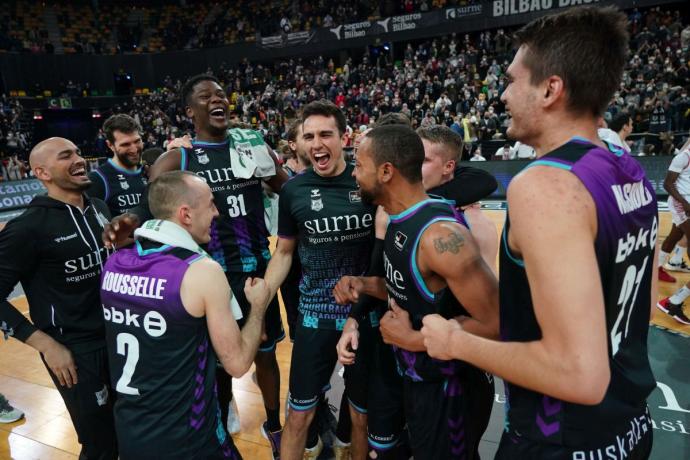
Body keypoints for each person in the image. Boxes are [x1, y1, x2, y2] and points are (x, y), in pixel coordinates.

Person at [421, 7, 657, 459]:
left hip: (559, 440)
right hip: (629, 428)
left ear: (551, 89)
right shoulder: (629, 170)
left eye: (512, 80)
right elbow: (626, 310)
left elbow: (579, 376)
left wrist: (455, 342)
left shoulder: (545, 184)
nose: (503, 94)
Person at [104, 74, 288, 459]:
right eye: (206, 97)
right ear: (191, 111)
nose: (217, 100)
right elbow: (155, 203)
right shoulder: (178, 157)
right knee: (218, 367)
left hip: (256, 268)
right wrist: (129, 219)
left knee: (266, 354)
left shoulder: (252, 145)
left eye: (221, 94)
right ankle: (217, 427)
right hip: (207, 276)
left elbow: (287, 188)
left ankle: (274, 425)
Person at [336, 124, 498, 459]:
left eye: (359, 165)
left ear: (386, 172)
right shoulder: (398, 217)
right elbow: (409, 287)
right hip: (418, 379)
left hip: (451, 390)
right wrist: (365, 284)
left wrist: (412, 340)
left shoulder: (440, 238)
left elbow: (497, 325)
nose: (354, 173)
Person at [101, 170, 271, 459]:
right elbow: (239, 364)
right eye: (211, 205)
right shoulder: (200, 270)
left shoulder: (115, 263)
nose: (217, 214)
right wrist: (258, 307)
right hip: (188, 436)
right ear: (186, 214)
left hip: (130, 433)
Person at [263, 100, 372, 460]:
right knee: (298, 416)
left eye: (326, 134)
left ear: (344, 138)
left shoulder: (367, 182)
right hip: (314, 315)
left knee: (360, 417)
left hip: (365, 315)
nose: (317, 143)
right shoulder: (294, 190)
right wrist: (261, 300)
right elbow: (283, 253)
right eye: (309, 136)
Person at [0, 137, 117, 459]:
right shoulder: (28, 228)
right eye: (66, 156)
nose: (79, 159)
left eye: (79, 152)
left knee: (126, 430)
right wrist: (45, 344)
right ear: (42, 172)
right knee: (99, 444)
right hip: (74, 352)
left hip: (119, 338)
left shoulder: (99, 209)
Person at [417, 125, 498, 273]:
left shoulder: (476, 225)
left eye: (423, 160)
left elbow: (486, 292)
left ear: (448, 167)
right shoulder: (407, 201)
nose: (412, 166)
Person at [87, 114, 147, 216]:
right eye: (125, 144)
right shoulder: (98, 179)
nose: (134, 149)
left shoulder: (149, 171)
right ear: (110, 145)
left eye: (137, 141)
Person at [657, 138, 690, 284]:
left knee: (674, 236)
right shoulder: (683, 157)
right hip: (680, 202)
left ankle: (656, 268)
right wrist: (684, 203)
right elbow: (667, 184)